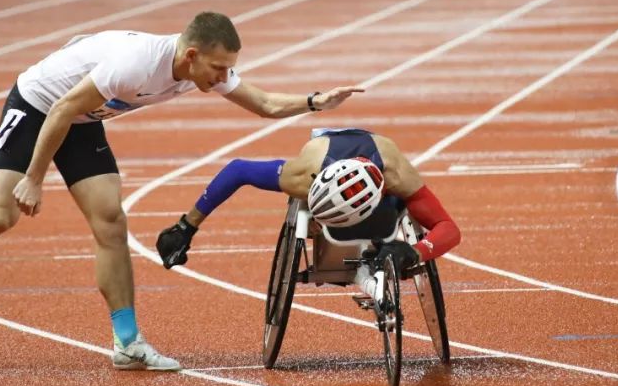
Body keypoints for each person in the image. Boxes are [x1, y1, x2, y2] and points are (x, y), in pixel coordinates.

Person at [0, 12, 363, 372]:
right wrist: (34, 178)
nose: (224, 79)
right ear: (192, 54)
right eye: (219, 68)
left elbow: (261, 104)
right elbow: (60, 109)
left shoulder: (199, 67)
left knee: (111, 221)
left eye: (229, 71)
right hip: (42, 105)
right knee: (1, 215)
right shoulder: (135, 66)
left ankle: (127, 343)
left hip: (83, 120)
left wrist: (313, 101)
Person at [156, 128, 462, 303]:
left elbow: (448, 228)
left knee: (395, 220)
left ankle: (374, 247)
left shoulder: (396, 172)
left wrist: (413, 251)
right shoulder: (304, 174)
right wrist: (186, 226)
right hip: (322, 181)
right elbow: (238, 170)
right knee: (308, 218)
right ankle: (337, 236)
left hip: (380, 198)